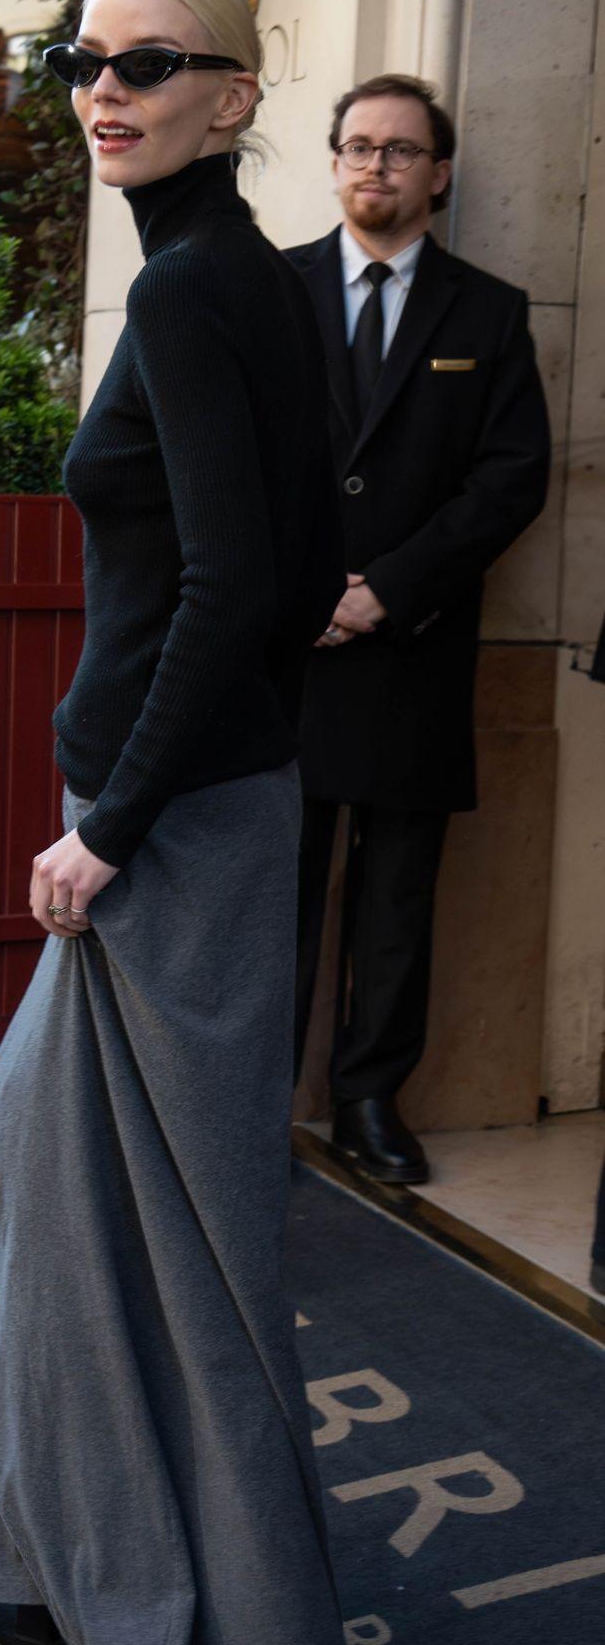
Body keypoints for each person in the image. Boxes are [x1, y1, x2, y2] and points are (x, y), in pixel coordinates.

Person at [0, 0, 353, 1645]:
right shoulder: (241, 276)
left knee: (185, 1264)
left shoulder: (198, 291)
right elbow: (291, 567)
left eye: (148, 62)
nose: (102, 90)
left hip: (173, 834)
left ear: (234, 94)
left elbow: (231, 586)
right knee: (37, 1209)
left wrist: (111, 827)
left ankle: (250, 1635)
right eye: (83, 59)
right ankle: (9, 1548)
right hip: (193, 806)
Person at [286, 74, 551, 1186]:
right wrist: (302, 589)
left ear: (436, 174)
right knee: (270, 894)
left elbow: (510, 478)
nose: (375, 165)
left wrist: (386, 589)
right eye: (357, 145)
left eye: (399, 150)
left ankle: (366, 1101)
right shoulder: (273, 291)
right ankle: (248, 1101)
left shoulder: (487, 311)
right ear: (333, 161)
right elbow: (229, 458)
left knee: (396, 897)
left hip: (412, 648)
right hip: (286, 655)